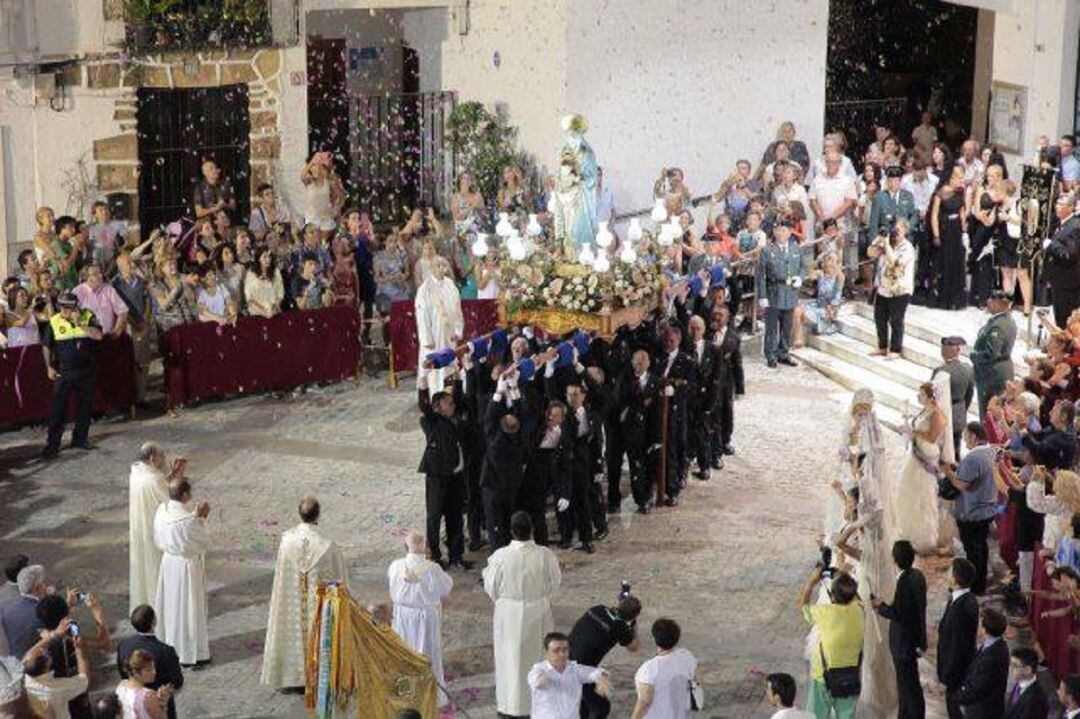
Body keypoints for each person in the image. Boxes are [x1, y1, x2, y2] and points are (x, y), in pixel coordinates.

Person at [261, 497, 349, 691]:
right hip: (318, 606)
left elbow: (281, 577)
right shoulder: (327, 546)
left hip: (291, 604)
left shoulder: (286, 541)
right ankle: (318, 676)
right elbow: (340, 581)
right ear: (318, 516)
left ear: (300, 515)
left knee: (290, 628)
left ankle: (291, 677)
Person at [483, 511, 561, 718]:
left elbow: (491, 586)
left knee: (509, 659)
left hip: (508, 612)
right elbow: (555, 583)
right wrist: (539, 598)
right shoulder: (545, 555)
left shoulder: (500, 556)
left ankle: (511, 706)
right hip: (538, 611)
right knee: (535, 659)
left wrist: (505, 603)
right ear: (532, 530)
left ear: (511, 531)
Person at [387, 530, 453, 706]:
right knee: (427, 652)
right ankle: (428, 694)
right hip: (425, 617)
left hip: (402, 615)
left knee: (405, 653)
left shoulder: (395, 566)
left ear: (406, 547)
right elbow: (446, 587)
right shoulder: (433, 569)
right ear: (425, 548)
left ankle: (405, 691)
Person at [153, 479, 211, 666]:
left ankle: (171, 644)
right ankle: (190, 652)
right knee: (188, 606)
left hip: (169, 562)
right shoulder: (187, 521)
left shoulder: (162, 510)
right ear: (185, 495)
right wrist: (201, 518)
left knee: (172, 606)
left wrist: (195, 516)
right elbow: (202, 542)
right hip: (187, 567)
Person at [417, 375, 471, 569]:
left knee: (455, 517)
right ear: (438, 407)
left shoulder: (455, 420)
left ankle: (456, 555)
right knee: (434, 516)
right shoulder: (431, 422)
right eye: (448, 403)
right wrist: (423, 388)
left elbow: (460, 401)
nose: (452, 405)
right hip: (437, 477)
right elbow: (424, 407)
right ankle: (435, 556)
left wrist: (457, 379)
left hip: (455, 476)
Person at [41, 292, 103, 459]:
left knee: (85, 406)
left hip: (86, 369)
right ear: (60, 307)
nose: (70, 311)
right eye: (66, 308)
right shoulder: (54, 321)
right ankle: (53, 444)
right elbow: (46, 345)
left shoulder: (88, 315)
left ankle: (80, 438)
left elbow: (98, 335)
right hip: (64, 371)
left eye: (73, 307)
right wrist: (48, 366)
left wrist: (80, 324)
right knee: (58, 409)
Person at [941, 422, 1000, 595]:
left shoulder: (973, 458)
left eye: (966, 436)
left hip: (972, 512)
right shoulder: (990, 450)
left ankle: (975, 587)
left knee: (973, 552)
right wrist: (959, 468)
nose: (965, 440)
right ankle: (980, 582)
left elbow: (960, 484)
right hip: (987, 508)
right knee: (981, 547)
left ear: (974, 436)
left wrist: (948, 472)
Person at [871, 540, 927, 719]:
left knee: (908, 686)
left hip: (903, 643)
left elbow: (900, 614)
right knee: (907, 684)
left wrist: (880, 606)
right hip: (913, 638)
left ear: (895, 560)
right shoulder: (918, 575)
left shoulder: (904, 583)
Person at [799, 569, 863, 719]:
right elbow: (857, 598)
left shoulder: (824, 612)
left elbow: (803, 607)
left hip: (823, 677)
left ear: (831, 596)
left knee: (816, 715)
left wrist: (811, 582)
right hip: (850, 676)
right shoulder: (859, 610)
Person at [130, 443, 183, 614]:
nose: (164, 460)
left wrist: (172, 474)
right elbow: (172, 500)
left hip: (140, 531)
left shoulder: (137, 473)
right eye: (162, 456)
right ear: (152, 459)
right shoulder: (153, 480)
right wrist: (178, 476)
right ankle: (160, 607)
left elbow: (159, 485)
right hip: (154, 533)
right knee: (156, 570)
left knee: (143, 571)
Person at [568, 595, 641, 719]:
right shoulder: (620, 628)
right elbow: (634, 647)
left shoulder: (597, 609)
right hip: (582, 670)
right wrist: (633, 627)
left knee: (585, 704)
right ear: (635, 615)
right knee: (601, 707)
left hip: (565, 658)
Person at [116, 606, 183, 719]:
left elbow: (123, 673)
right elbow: (177, 681)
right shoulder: (165, 651)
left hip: (132, 701)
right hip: (158, 703)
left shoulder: (123, 645)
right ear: (154, 622)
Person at [528, 632, 609, 719]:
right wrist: (542, 680)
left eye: (565, 650)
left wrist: (603, 679)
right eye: (556, 651)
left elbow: (599, 672)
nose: (562, 654)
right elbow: (536, 681)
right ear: (546, 652)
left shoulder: (575, 669)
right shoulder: (538, 669)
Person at [756, 219, 803, 369]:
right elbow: (761, 274)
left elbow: (802, 267)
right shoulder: (767, 250)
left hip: (790, 292)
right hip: (773, 290)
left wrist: (800, 277)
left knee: (787, 325)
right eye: (778, 230)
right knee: (771, 327)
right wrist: (762, 296)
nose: (780, 233)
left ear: (789, 233)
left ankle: (783, 353)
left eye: (784, 231)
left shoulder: (796, 249)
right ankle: (771, 354)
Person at [630, 618, 698, 719]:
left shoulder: (649, 669)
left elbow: (644, 701)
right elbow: (695, 682)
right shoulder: (687, 656)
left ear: (654, 639)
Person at [938, 558, 980, 719]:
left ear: (955, 579)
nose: (946, 574)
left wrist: (946, 679)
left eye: (949, 571)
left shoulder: (960, 610)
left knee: (955, 710)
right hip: (958, 668)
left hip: (956, 673)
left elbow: (956, 648)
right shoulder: (964, 598)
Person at [415, 256, 464, 395]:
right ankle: (434, 395)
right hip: (434, 336)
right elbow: (422, 317)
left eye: (444, 265)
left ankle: (451, 394)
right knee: (434, 367)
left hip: (449, 335)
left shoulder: (450, 285)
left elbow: (457, 310)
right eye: (438, 265)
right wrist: (426, 340)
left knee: (450, 363)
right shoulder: (424, 290)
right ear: (431, 268)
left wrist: (458, 331)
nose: (443, 268)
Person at [867, 220, 916, 359]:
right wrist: (879, 239)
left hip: (899, 290)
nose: (895, 233)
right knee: (879, 318)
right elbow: (870, 253)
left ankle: (895, 349)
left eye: (898, 231)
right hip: (883, 287)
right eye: (894, 230)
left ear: (905, 231)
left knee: (896, 320)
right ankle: (882, 346)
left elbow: (895, 263)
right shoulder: (886, 241)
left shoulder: (908, 248)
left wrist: (887, 246)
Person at [22, 624, 90, 719]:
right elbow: (85, 679)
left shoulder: (28, 678)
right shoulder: (55, 689)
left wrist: (53, 635)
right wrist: (79, 650)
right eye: (45, 653)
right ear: (46, 667)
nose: (43, 648)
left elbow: (29, 655)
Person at [970, 290, 1017, 421]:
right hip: (999, 370)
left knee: (989, 414)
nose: (988, 302)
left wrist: (974, 356)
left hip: (992, 375)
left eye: (992, 300)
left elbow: (991, 353)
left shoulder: (998, 326)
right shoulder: (1007, 320)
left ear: (1001, 304)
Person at [955, 608, 1010, 718]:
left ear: (984, 630)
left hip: (982, 712)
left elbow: (977, 688)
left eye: (980, 623)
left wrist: (955, 697)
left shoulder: (992, 657)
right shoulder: (995, 645)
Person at [932, 336, 975, 452]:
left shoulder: (941, 371)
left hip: (944, 413)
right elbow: (970, 394)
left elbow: (933, 396)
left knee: (941, 450)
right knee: (956, 448)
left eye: (943, 349)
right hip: (959, 412)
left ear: (948, 351)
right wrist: (962, 408)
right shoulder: (967, 369)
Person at [1044, 193, 1080, 327]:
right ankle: (1060, 342)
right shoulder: (1062, 224)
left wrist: (1052, 245)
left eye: (1061, 205)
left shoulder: (1075, 227)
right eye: (1057, 204)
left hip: (1068, 281)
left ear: (1071, 207)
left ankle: (1066, 346)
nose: (1057, 207)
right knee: (1059, 315)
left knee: (1066, 317)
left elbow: (1071, 254)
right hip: (1059, 279)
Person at [0, 564, 47, 658]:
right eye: (43, 583)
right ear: (37, 588)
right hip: (36, 661)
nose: (45, 585)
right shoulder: (43, 613)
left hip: (14, 655)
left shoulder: (5, 607)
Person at [115, 648, 173, 719]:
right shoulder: (148, 696)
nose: (154, 672)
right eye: (148, 670)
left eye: (153, 668)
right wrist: (163, 705)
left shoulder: (122, 685)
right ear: (136, 673)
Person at [299, 152, 344, 238]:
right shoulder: (309, 181)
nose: (316, 168)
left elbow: (341, 197)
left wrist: (336, 209)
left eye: (318, 166)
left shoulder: (329, 182)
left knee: (323, 245)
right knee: (312, 240)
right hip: (311, 218)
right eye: (313, 166)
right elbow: (302, 176)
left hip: (325, 219)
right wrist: (313, 160)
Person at [1002, 647, 1048, 719]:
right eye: (1011, 664)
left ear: (1028, 670)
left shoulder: (1036, 698)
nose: (1010, 669)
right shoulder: (1018, 685)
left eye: (1015, 666)